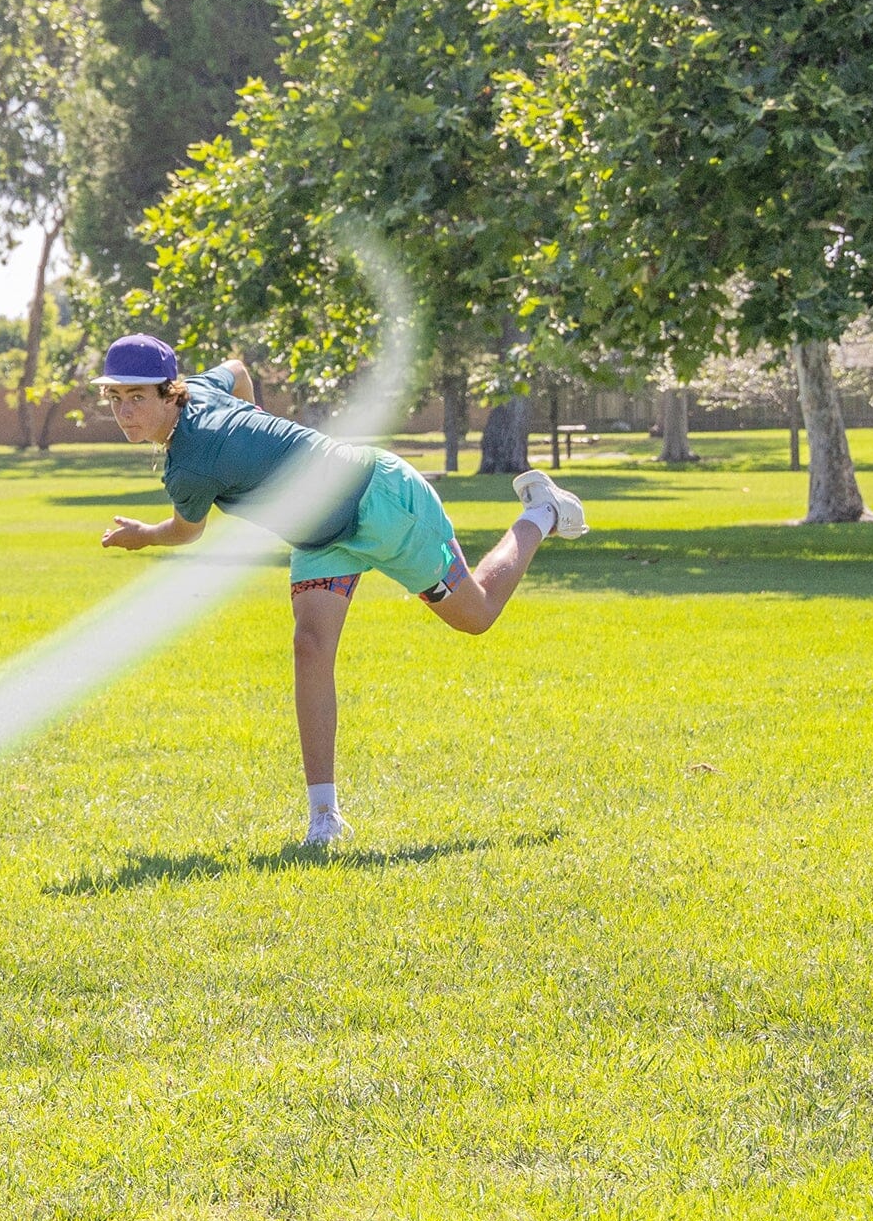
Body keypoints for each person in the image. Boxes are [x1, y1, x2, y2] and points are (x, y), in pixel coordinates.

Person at [92, 333, 587, 848]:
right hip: (321, 538)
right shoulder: (202, 389)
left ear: (171, 392)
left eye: (138, 399)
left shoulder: (188, 465)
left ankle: (540, 511)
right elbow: (237, 367)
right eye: (117, 400)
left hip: (378, 502)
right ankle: (324, 817)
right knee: (309, 647)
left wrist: (143, 536)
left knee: (477, 613)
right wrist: (259, 428)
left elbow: (185, 531)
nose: (127, 413)